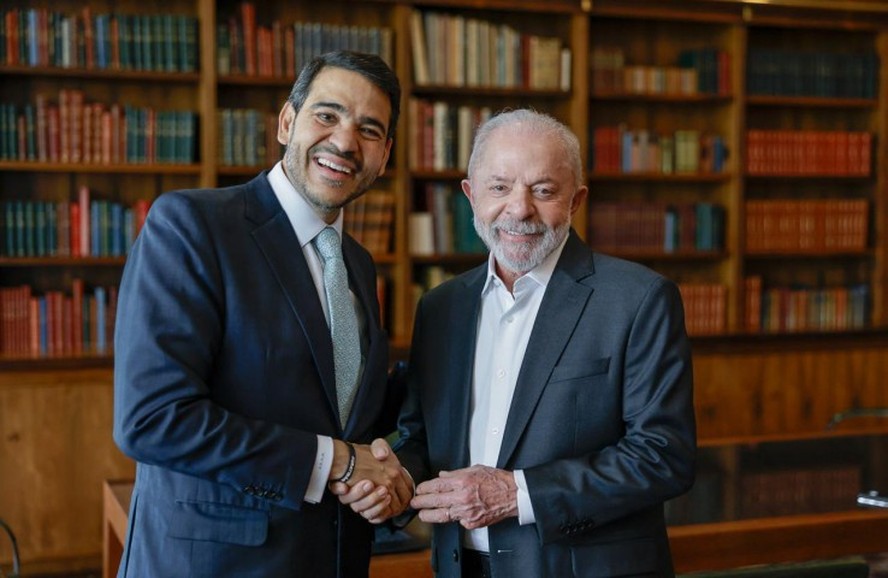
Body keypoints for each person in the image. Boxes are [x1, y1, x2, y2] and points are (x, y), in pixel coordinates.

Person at [338, 109, 697, 577]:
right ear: (471, 195)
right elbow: (421, 437)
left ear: (576, 200)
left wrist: (516, 494)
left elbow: (663, 455)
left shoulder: (638, 300)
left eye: (543, 191)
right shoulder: (441, 307)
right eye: (499, 187)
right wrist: (397, 481)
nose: (519, 209)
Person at [112, 50, 412, 578]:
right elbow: (152, 420)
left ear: (384, 155)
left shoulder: (359, 266)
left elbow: (347, 417)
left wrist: (392, 475)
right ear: (286, 122)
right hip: (213, 565)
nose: (345, 142)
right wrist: (336, 462)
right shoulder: (191, 226)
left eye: (369, 130)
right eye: (327, 114)